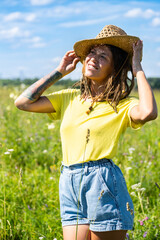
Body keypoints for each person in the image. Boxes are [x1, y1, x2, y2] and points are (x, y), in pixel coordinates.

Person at [15, 25, 157, 240]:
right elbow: (23, 102)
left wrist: (136, 67)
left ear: (115, 68)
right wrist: (59, 71)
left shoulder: (123, 104)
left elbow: (148, 112)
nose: (92, 59)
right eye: (91, 53)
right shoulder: (69, 97)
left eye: (103, 56)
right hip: (68, 180)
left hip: (102, 181)